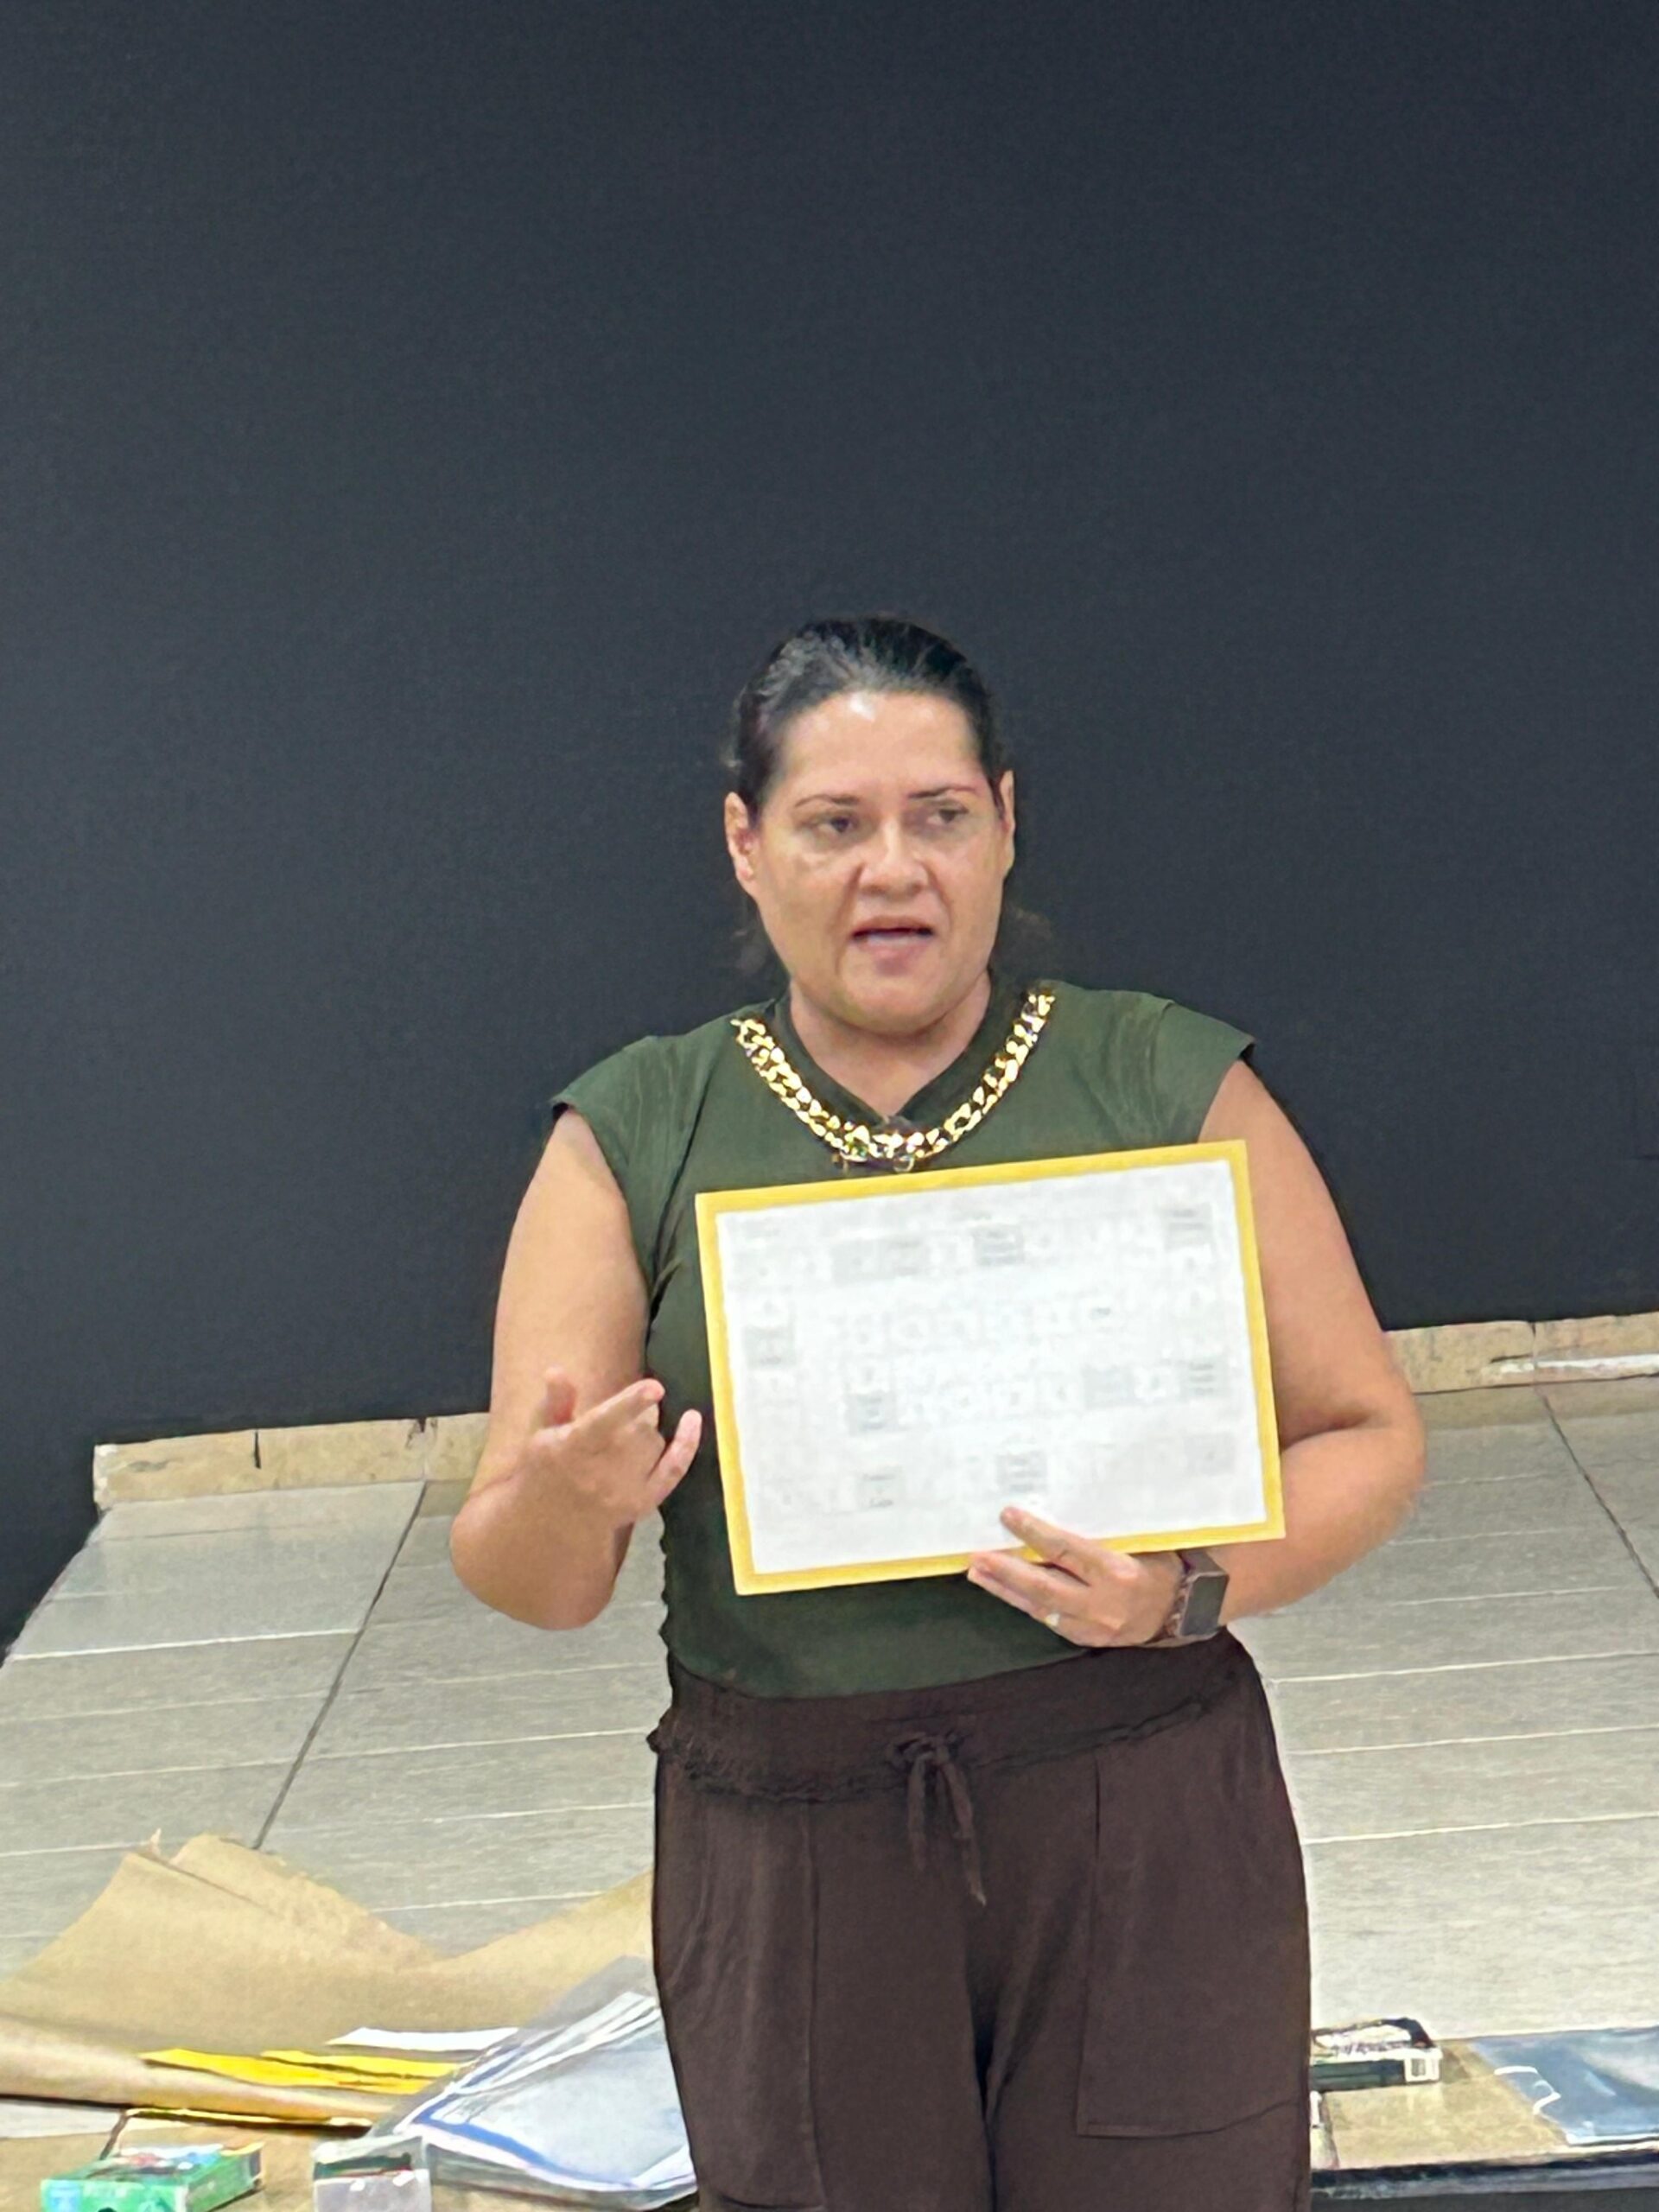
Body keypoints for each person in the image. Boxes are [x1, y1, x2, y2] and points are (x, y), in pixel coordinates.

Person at [450, 614, 1426, 2212]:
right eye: (834, 824)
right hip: (795, 1839)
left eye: (941, 817)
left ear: (1006, 826)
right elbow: (527, 1573)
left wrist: (1183, 1590)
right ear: (746, 845)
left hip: (1138, 1802)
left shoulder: (1160, 1079)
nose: (890, 869)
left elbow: (1366, 1432)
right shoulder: (638, 1126)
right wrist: (573, 1493)